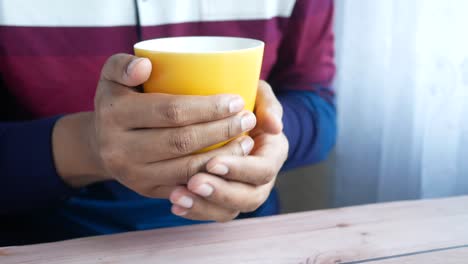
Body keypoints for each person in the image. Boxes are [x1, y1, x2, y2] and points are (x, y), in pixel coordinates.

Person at [0, 0, 336, 245]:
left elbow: (317, 104)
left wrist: (268, 135)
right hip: (49, 242)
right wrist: (88, 145)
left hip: (240, 241)